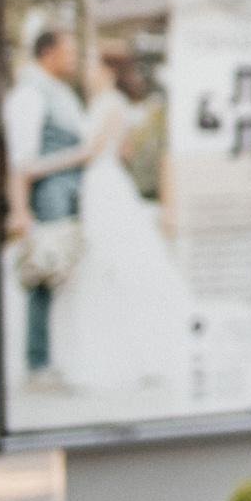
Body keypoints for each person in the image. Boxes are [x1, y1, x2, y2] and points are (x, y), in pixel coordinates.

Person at [47, 46, 200, 399]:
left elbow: (92, 152)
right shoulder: (104, 104)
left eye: (92, 64)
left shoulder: (111, 103)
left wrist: (41, 166)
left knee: (114, 262)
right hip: (102, 184)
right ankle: (116, 348)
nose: (87, 70)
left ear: (109, 71)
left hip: (104, 186)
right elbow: (126, 149)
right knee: (104, 265)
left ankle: (131, 353)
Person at [2, 28, 92, 391]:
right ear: (49, 52)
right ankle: (37, 364)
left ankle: (54, 361)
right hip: (48, 202)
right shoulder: (30, 94)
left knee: (60, 279)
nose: (74, 58)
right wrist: (21, 209)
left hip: (67, 199)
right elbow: (20, 159)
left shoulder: (59, 93)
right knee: (43, 279)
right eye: (69, 50)